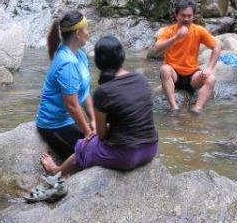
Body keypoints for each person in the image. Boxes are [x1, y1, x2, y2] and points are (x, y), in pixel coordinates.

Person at [42, 36, 159, 176]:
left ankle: (56, 171)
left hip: (127, 156)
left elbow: (102, 135)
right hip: (150, 149)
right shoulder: (142, 79)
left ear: (99, 62)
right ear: (122, 56)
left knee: (83, 145)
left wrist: (92, 135)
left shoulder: (103, 91)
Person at [35, 10, 94, 165]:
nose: (89, 32)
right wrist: (88, 132)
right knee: (92, 155)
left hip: (68, 120)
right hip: (54, 125)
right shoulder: (67, 63)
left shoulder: (79, 55)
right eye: (86, 29)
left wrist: (93, 119)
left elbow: (85, 92)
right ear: (78, 33)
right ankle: (55, 171)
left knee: (104, 142)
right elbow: (72, 105)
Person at [150, 0, 221, 113]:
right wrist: (176, 37)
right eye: (183, 15)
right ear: (176, 15)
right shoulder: (168, 31)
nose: (186, 19)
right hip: (174, 75)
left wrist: (209, 68)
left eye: (189, 16)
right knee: (164, 69)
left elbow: (217, 47)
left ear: (193, 16)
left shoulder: (199, 31)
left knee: (211, 78)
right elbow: (156, 49)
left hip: (192, 76)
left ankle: (197, 109)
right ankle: (174, 108)